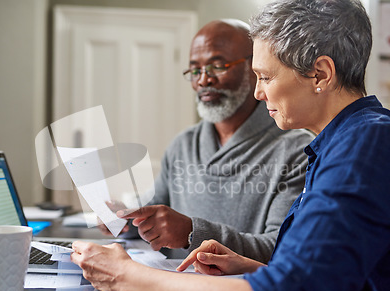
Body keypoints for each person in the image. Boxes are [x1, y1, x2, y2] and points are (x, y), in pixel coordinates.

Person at [72, 0, 390, 291]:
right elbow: (322, 277)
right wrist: (250, 268)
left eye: (264, 77)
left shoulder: (365, 148)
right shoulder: (338, 144)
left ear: (320, 74)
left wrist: (124, 275)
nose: (259, 93)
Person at [102, 19, 314, 263]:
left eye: (217, 66)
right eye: (195, 70)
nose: (203, 80)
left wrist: (193, 233)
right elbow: (155, 215)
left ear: (254, 68)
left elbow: (281, 246)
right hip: (170, 286)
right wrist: (127, 220)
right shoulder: (183, 144)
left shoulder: (296, 150)